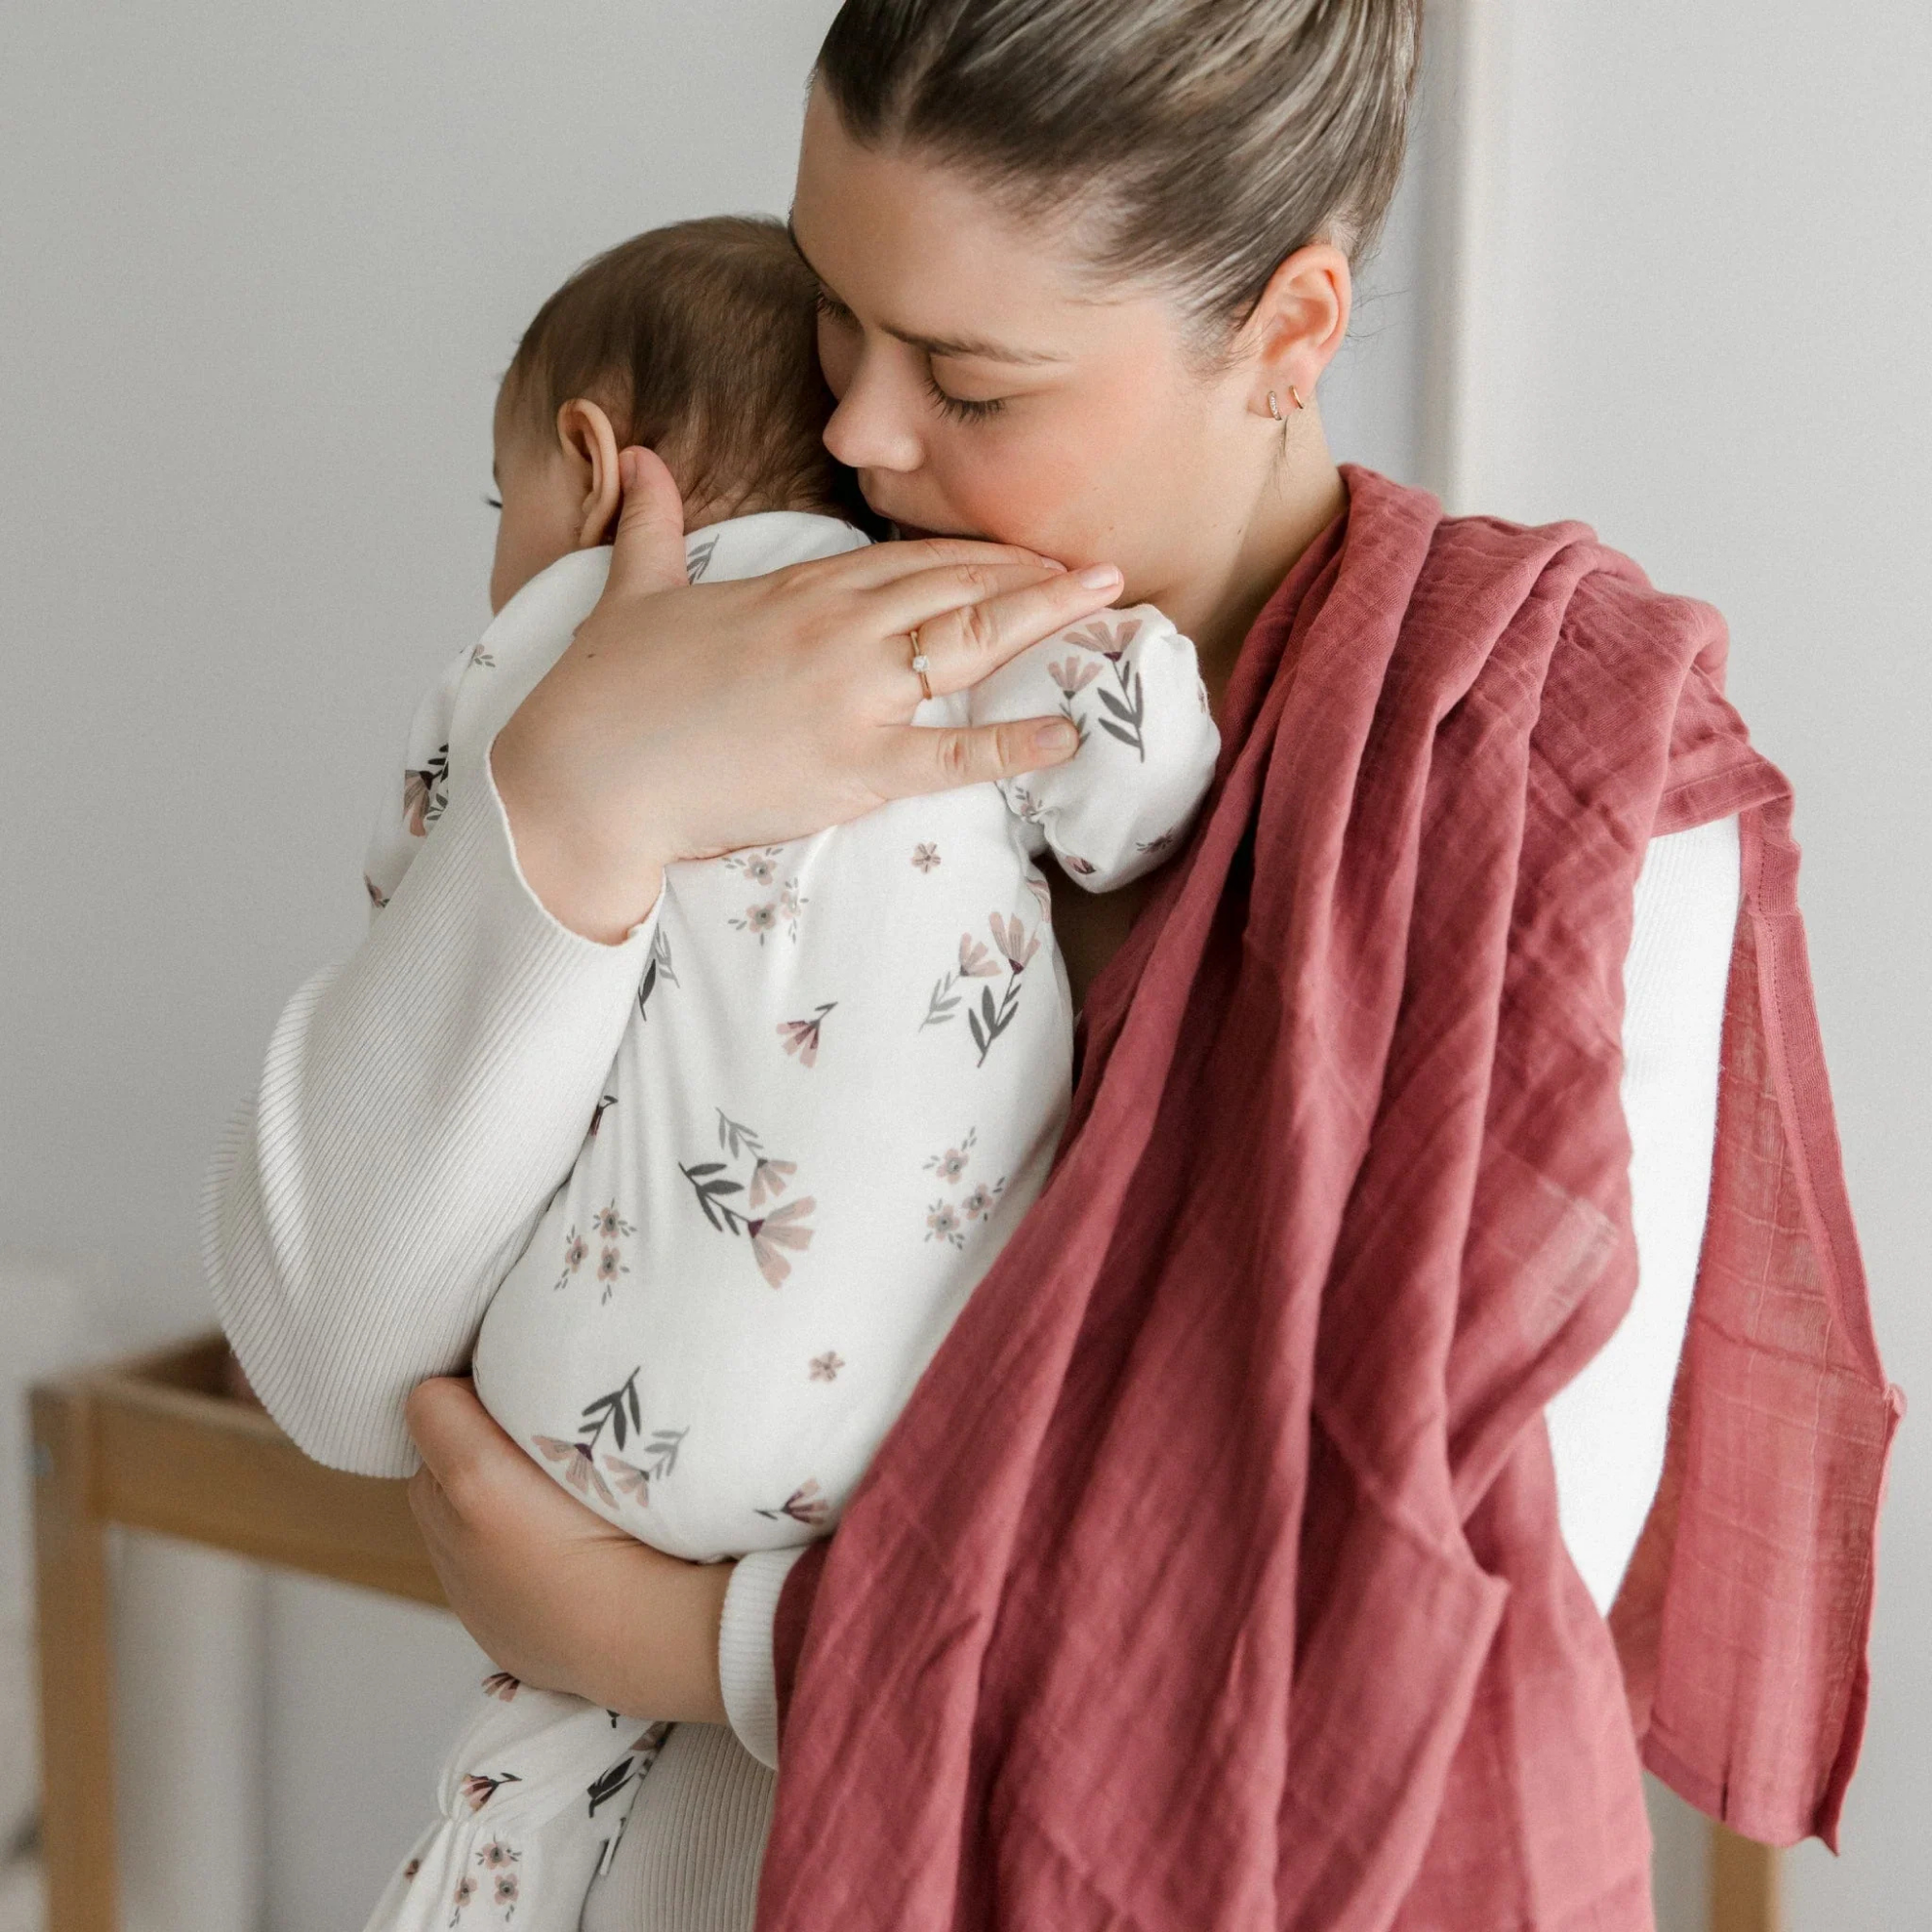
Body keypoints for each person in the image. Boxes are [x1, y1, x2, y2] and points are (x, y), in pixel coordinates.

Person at [203, 3, 1895, 1927]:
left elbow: (1407, 1653)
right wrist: (583, 799)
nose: (854, 429)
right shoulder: (738, 612)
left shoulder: (1537, 790)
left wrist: (709, 1647)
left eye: (974, 383)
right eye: (833, 305)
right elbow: (332, 1365)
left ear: (1290, 332)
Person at [340, 212, 1217, 1932]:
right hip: (889, 1446)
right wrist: (1095, 624)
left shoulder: (533, 659)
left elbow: (428, 925)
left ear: (590, 470)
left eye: (496, 499)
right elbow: (1139, 800)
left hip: (561, 1425)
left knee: (535, 1757)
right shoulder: (952, 604)